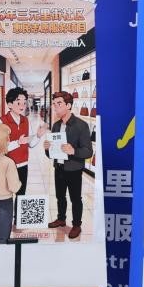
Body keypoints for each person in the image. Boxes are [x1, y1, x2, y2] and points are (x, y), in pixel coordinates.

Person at [43, 91, 93, 240]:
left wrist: (73, 151)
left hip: (74, 169)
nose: (55, 107)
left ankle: (76, 225)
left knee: (75, 198)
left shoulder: (81, 125)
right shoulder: (56, 125)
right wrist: (47, 149)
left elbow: (88, 151)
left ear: (69, 105)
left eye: (59, 104)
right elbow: (51, 154)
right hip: (58, 167)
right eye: (54, 104)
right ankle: (61, 219)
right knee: (60, 196)